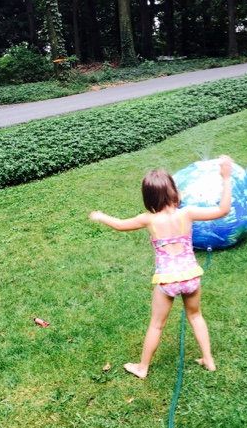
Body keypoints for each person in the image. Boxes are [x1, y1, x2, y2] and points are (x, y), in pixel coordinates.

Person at [89, 155, 233, 378]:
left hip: (167, 281)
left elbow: (119, 225)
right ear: (173, 190)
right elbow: (223, 210)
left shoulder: (148, 219)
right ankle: (208, 359)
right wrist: (226, 176)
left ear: (148, 197)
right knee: (196, 316)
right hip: (191, 276)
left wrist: (101, 216)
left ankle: (142, 367)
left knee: (157, 325)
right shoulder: (188, 213)